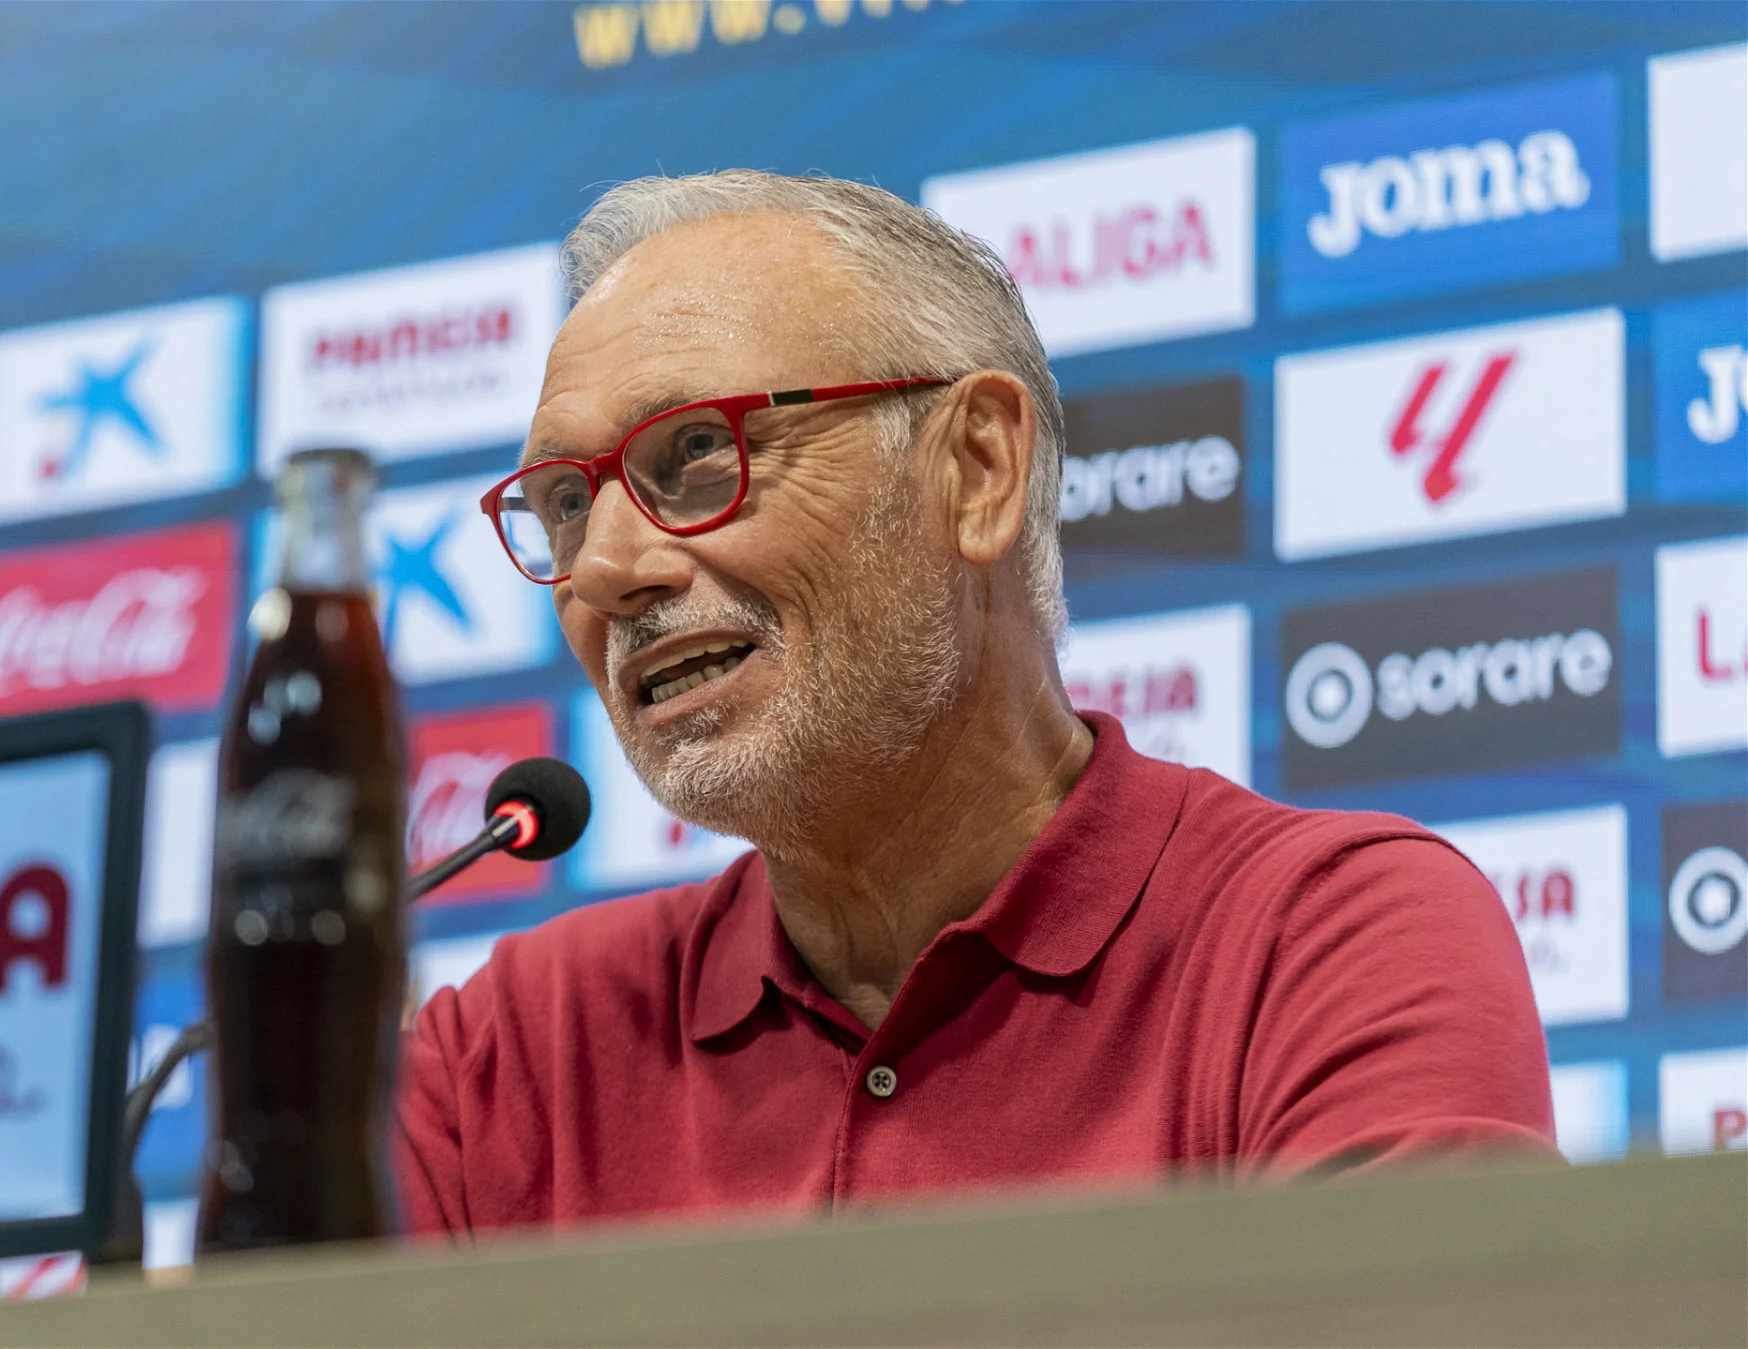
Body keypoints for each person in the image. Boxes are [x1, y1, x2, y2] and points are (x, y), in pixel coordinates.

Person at [393, 171, 1556, 1239]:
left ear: (978, 469)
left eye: (698, 451)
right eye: (564, 504)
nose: (604, 568)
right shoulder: (505, 1054)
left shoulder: (1327, 942)